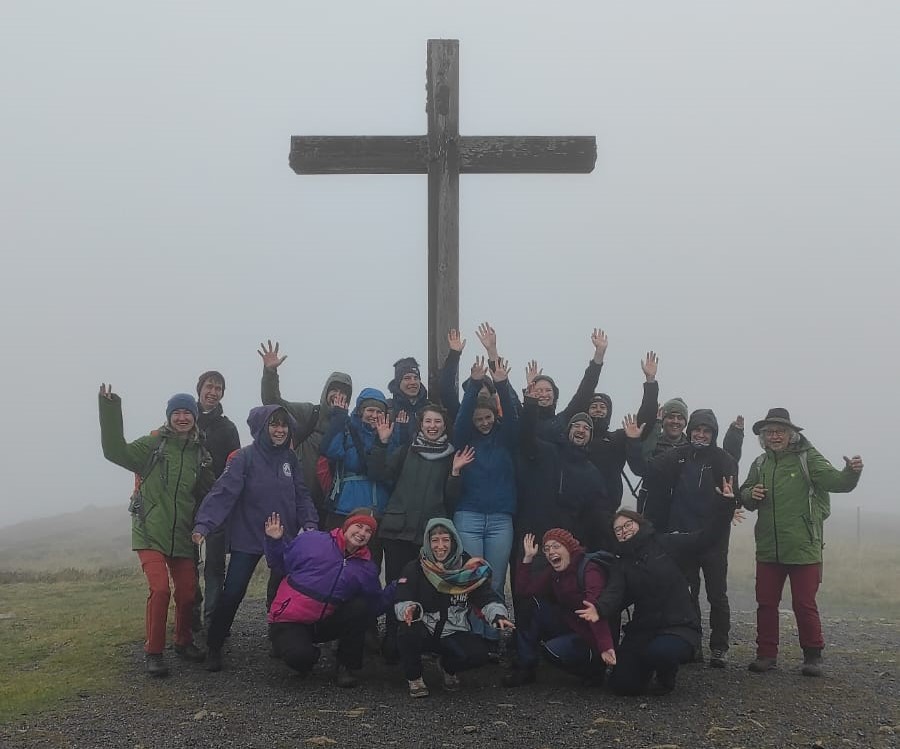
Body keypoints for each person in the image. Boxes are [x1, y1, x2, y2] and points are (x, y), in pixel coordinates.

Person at [578, 465, 737, 696]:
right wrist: (599, 609)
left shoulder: (667, 544)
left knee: (661, 653)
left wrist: (725, 505)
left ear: (639, 523)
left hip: (679, 626)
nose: (623, 531)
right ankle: (643, 669)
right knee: (622, 686)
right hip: (644, 629)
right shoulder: (621, 563)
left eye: (627, 525)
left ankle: (666, 673)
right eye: (618, 530)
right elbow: (614, 592)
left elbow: (706, 538)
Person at [192, 405, 319, 672]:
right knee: (234, 592)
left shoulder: (290, 459)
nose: (280, 430)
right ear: (262, 427)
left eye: (284, 425)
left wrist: (309, 522)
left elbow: (301, 493)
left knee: (282, 592)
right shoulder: (244, 458)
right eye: (274, 424)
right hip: (248, 536)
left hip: (283, 536)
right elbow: (223, 492)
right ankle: (214, 646)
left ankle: (280, 640)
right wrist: (204, 524)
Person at [98, 385, 213, 677]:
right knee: (160, 589)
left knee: (187, 593)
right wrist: (109, 409)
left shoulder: (200, 453)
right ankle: (154, 651)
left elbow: (212, 492)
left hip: (183, 534)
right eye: (177, 412)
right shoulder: (153, 445)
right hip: (149, 530)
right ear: (169, 416)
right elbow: (114, 451)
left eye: (188, 412)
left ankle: (183, 641)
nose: (183, 417)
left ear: (195, 417)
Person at [740, 408, 863, 677]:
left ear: (791, 434)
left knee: (804, 604)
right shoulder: (760, 463)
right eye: (769, 432)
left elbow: (838, 482)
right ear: (763, 436)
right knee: (766, 602)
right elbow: (744, 495)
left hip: (804, 546)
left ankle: (812, 657)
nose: (774, 436)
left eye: (780, 431)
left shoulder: (808, 458)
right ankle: (766, 655)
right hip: (769, 546)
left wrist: (851, 472)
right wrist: (751, 493)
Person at [625, 409, 739, 668]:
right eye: (697, 430)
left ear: (714, 433)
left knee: (717, 594)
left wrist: (731, 501)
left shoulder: (724, 460)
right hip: (682, 538)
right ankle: (693, 644)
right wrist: (633, 442)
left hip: (714, 539)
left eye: (706, 431)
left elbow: (733, 496)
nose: (701, 434)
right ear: (690, 432)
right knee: (687, 594)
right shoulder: (676, 456)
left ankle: (719, 647)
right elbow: (644, 469)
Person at [266, 509, 396, 688]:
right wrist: (274, 541)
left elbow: (373, 605)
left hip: (325, 621)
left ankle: (346, 665)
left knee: (360, 607)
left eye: (368, 531)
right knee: (299, 657)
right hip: (291, 619)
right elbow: (280, 563)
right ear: (347, 525)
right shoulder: (312, 541)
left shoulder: (367, 568)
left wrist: (396, 588)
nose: (362, 533)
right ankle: (307, 654)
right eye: (358, 526)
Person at [368, 403, 457, 662]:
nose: (432, 426)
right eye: (428, 421)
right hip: (397, 531)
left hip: (429, 535)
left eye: (437, 422)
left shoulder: (452, 456)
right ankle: (393, 641)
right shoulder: (406, 450)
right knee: (397, 586)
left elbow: (451, 499)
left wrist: (455, 474)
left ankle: (422, 641)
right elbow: (379, 473)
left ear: (444, 426)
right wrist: (382, 443)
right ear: (421, 425)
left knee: (427, 590)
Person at [395, 518, 514, 697]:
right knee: (406, 631)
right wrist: (410, 609)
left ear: (454, 541)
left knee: (479, 654)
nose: (440, 546)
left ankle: (448, 667)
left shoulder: (468, 569)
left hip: (454, 631)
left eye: (445, 539)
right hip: (425, 627)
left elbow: (486, 598)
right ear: (427, 542)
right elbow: (401, 598)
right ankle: (415, 677)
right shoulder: (415, 568)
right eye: (435, 540)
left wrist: (498, 615)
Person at [447, 356, 519, 651]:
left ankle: (492, 637)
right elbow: (462, 417)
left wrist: (501, 383)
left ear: (494, 416)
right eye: (479, 419)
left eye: (487, 417)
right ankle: (474, 635)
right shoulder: (465, 438)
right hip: (469, 516)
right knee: (473, 577)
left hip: (501, 518)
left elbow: (515, 417)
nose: (483, 422)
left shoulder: (506, 438)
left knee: (497, 578)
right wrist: (473, 384)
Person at [503, 529, 615, 687]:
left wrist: (605, 647)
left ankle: (593, 669)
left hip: (589, 633)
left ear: (569, 548)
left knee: (552, 651)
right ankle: (525, 666)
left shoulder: (589, 570)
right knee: (529, 605)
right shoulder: (554, 572)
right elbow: (525, 591)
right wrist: (527, 559)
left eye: (556, 546)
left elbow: (595, 611)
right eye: (547, 549)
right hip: (569, 624)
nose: (551, 552)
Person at [258, 339, 353, 524]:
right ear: (326, 391)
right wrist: (270, 372)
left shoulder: (349, 426)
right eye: (334, 389)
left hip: (330, 506)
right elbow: (273, 403)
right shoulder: (309, 413)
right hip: (297, 499)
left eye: (344, 392)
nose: (338, 395)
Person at [320, 388, 402, 567]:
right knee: (334, 560)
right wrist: (339, 419)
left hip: (377, 509)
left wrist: (383, 440)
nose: (374, 415)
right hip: (344, 508)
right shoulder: (348, 430)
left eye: (379, 411)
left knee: (370, 564)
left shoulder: (391, 435)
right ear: (360, 411)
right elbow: (330, 451)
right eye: (370, 410)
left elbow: (390, 470)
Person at [193, 370, 241, 632]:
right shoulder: (184, 419)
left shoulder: (228, 428)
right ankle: (191, 615)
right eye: (209, 386)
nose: (213, 392)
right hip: (186, 505)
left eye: (218, 388)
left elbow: (235, 466)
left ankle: (212, 622)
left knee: (214, 566)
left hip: (218, 505)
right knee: (187, 565)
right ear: (199, 389)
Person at [586, 351, 659, 507]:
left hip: (607, 507)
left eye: (602, 407)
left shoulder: (617, 438)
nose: (598, 410)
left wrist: (650, 382)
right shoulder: (576, 436)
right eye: (593, 407)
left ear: (609, 412)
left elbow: (645, 420)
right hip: (576, 507)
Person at [525, 328, 608, 442]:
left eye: (548, 390)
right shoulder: (522, 418)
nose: (544, 394)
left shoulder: (563, 420)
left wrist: (598, 355)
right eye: (539, 390)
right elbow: (507, 400)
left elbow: (584, 392)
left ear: (555, 395)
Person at [387, 357, 429, 445]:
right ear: (398, 382)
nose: (413, 382)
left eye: (416, 378)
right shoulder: (387, 409)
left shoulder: (429, 408)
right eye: (407, 378)